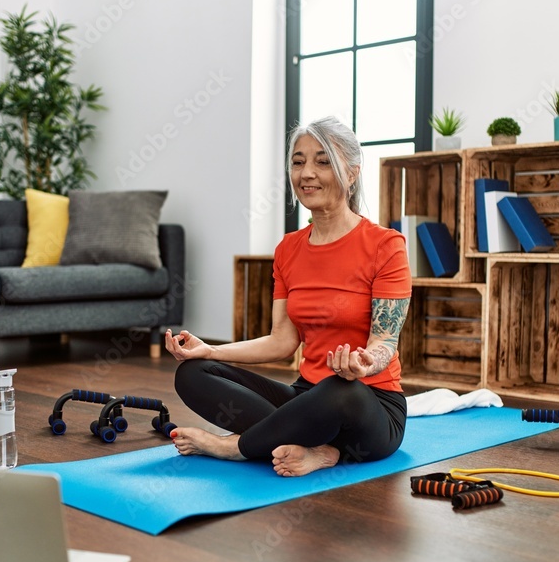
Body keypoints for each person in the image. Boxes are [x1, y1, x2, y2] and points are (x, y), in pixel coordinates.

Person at [165, 115, 411, 477]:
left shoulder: (386, 245)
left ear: (353, 173)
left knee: (340, 389)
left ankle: (234, 447)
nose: (307, 173)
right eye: (298, 162)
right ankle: (319, 449)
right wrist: (210, 350)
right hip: (306, 399)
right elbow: (282, 341)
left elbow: (385, 341)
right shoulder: (288, 249)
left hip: (367, 405)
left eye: (323, 161)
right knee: (193, 373)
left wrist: (363, 363)